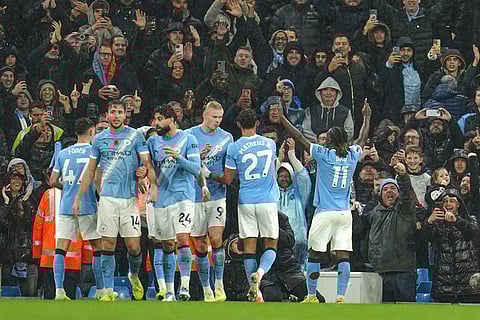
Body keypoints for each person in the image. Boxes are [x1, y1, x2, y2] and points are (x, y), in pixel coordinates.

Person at [72, 99, 157, 302]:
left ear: (125, 114)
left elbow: (148, 163)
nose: (116, 116)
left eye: (120, 112)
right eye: (113, 112)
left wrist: (146, 177)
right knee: (107, 244)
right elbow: (91, 171)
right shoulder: (99, 139)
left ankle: (134, 274)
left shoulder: (135, 136)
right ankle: (108, 291)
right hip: (108, 199)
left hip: (129, 200)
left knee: (134, 246)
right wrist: (78, 197)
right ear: (107, 115)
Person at [279, 110, 361, 304]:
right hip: (344, 213)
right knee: (343, 255)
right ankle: (340, 297)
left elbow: (299, 137)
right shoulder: (352, 156)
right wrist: (366, 118)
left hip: (325, 212)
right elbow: (362, 138)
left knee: (314, 255)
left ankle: (312, 295)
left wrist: (282, 118)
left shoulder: (324, 155)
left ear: (330, 141)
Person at [210, 108, 280, 303]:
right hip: (267, 200)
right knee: (271, 243)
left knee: (249, 248)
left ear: (238, 124)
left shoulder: (234, 147)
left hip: (246, 201)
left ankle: (255, 292)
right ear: (257, 123)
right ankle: (260, 272)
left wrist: (208, 174)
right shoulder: (269, 144)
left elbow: (227, 178)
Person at [146, 105, 200, 302]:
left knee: (183, 239)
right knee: (167, 244)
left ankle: (184, 287)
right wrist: (151, 182)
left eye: (160, 119)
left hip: (183, 196)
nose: (156, 123)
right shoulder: (153, 142)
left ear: (172, 119)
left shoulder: (188, 140)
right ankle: (169, 291)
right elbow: (148, 165)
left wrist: (178, 157)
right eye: (155, 119)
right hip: (162, 198)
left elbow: (196, 169)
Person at [49, 118, 104, 300]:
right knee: (98, 247)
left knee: (61, 248)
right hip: (87, 203)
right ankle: (102, 291)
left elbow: (52, 181)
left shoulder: (63, 153)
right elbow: (96, 179)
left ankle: (59, 291)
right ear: (91, 131)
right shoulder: (94, 151)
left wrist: (68, 189)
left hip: (66, 204)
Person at [186, 101, 233, 302]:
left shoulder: (227, 138)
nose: (217, 121)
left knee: (216, 239)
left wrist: (213, 176)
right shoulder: (189, 135)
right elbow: (182, 164)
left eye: (220, 117)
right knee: (200, 245)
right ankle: (206, 288)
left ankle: (219, 284)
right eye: (214, 117)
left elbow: (229, 168)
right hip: (195, 197)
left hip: (217, 195)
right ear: (205, 115)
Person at [367, 157, 417, 303]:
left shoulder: (405, 210)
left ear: (398, 192)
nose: (389, 191)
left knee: (406, 312)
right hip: (381, 272)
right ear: (380, 195)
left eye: (393, 188)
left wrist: (402, 176)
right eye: (385, 189)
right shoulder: (374, 213)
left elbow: (408, 195)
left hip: (403, 271)